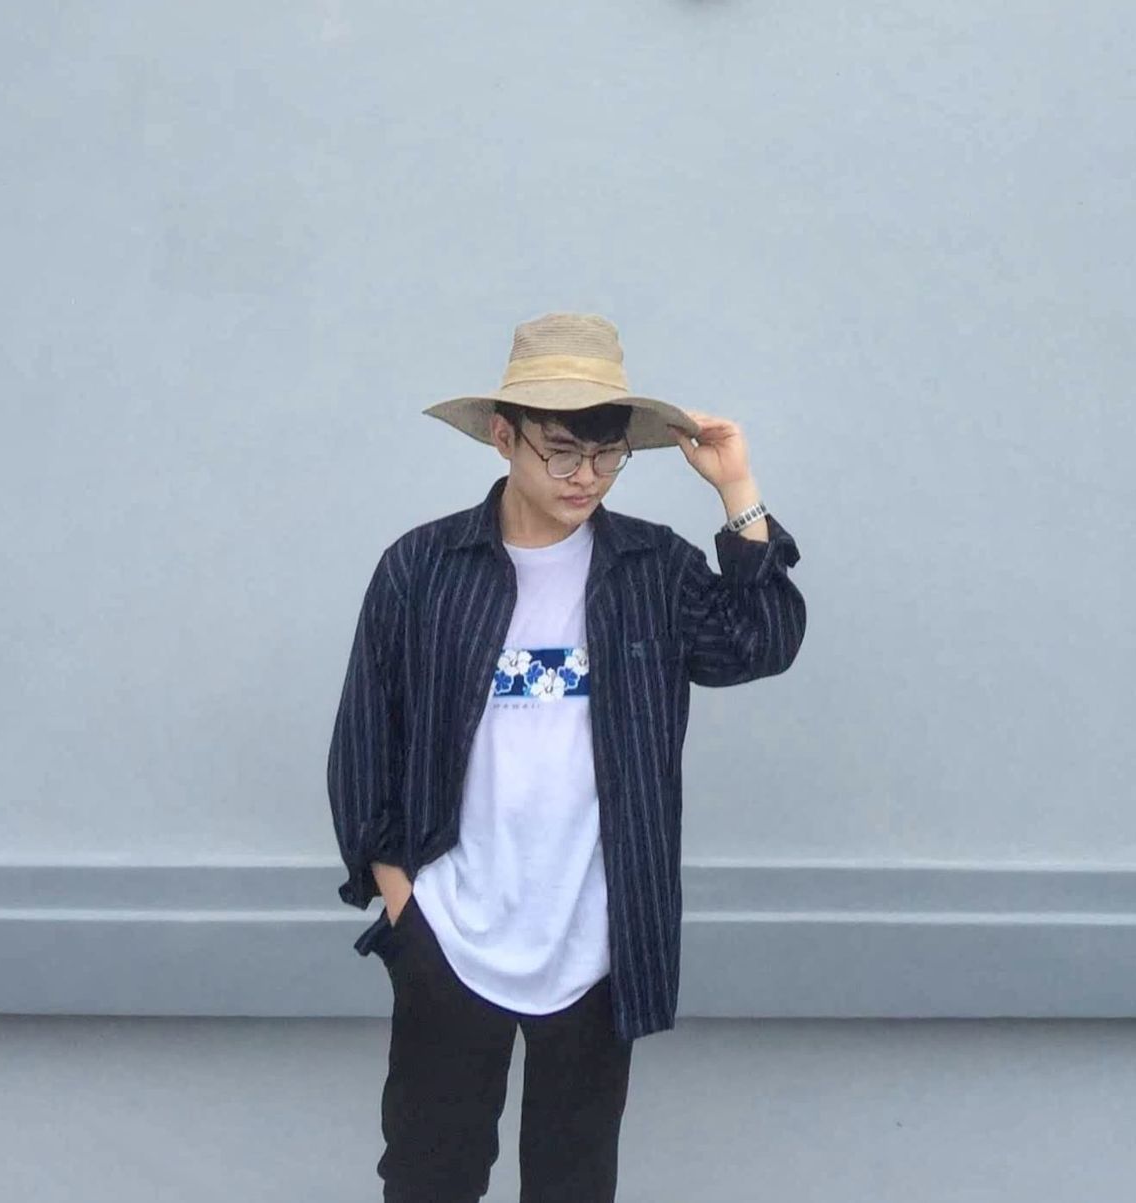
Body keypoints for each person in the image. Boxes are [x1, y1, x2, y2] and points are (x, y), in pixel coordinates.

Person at [327, 312, 808, 1201]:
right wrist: (405, 909)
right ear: (503, 437)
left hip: (596, 945)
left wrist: (736, 489)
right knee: (430, 1178)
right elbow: (364, 743)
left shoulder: (651, 569)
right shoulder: (423, 568)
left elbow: (760, 640)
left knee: (573, 1184)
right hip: (449, 934)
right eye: (560, 452)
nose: (585, 476)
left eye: (608, 454)